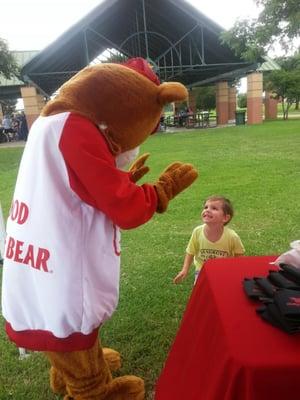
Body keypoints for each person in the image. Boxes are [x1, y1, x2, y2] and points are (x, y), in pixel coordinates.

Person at [173, 195, 245, 284]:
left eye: (214, 208)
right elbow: (190, 252)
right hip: (202, 270)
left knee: (221, 290)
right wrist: (185, 269)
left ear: (225, 218)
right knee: (202, 291)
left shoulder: (232, 236)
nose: (207, 210)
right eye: (206, 207)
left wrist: (238, 271)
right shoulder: (197, 232)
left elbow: (239, 255)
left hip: (224, 270)